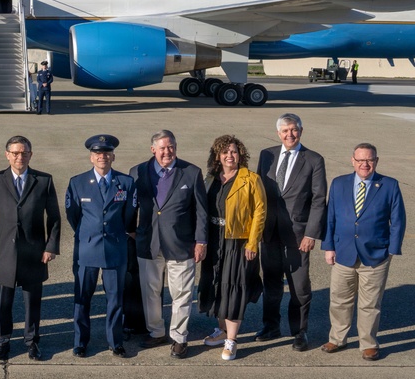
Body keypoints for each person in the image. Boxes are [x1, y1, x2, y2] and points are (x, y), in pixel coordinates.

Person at [0, 135, 60, 361]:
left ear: (30, 155)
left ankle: (32, 341)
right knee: (3, 301)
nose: (19, 157)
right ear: (7, 155)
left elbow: (53, 217)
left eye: (24, 153)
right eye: (15, 153)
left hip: (34, 251)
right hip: (3, 251)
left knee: (32, 301)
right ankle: (3, 341)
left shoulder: (43, 180)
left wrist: (50, 247)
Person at [322, 143, 406, 361]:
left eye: (369, 160)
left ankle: (368, 343)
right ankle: (338, 338)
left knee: (370, 303)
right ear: (352, 160)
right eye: (360, 160)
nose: (364, 164)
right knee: (340, 299)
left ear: (376, 161)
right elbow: (330, 218)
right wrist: (328, 246)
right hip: (343, 252)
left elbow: (397, 220)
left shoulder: (389, 185)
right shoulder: (339, 183)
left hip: (376, 255)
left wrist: (391, 250)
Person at [129, 130, 207, 359]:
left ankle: (179, 337)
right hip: (148, 243)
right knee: (150, 291)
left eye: (171, 146)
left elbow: (201, 211)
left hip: (181, 244)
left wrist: (201, 241)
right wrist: (130, 230)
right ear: (153, 149)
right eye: (162, 148)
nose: (167, 152)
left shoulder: (191, 172)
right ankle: (156, 331)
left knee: (181, 293)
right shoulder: (138, 172)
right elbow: (130, 207)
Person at [256, 113, 327, 351]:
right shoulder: (267, 155)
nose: (290, 134)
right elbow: (260, 194)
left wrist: (311, 234)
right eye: (285, 131)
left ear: (301, 131)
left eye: (294, 130)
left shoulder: (314, 160)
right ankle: (271, 325)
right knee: (272, 282)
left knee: (299, 286)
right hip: (269, 232)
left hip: (298, 235)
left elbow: (319, 200)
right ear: (278, 133)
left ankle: (299, 332)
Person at [65, 134, 136, 358]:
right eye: (98, 153)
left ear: (113, 156)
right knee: (82, 298)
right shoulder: (77, 183)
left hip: (115, 248)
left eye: (106, 153)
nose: (102, 157)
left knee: (115, 299)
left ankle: (115, 342)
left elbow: (130, 215)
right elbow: (73, 215)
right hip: (87, 248)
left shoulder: (125, 182)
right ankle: (80, 342)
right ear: (91, 157)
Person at [198, 135, 266, 361]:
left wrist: (252, 242)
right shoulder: (210, 178)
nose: (230, 155)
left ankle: (232, 340)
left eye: (234, 151)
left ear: (241, 155)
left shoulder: (250, 179)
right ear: (218, 155)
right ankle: (222, 331)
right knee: (216, 284)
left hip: (238, 240)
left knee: (233, 287)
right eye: (225, 152)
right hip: (214, 238)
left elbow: (260, 212)